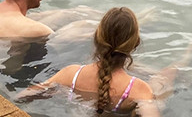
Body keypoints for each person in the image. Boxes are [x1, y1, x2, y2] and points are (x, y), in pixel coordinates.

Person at [17, 7, 160, 117]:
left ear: (97, 39)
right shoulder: (139, 90)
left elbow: (21, 97)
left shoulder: (70, 74)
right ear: (135, 44)